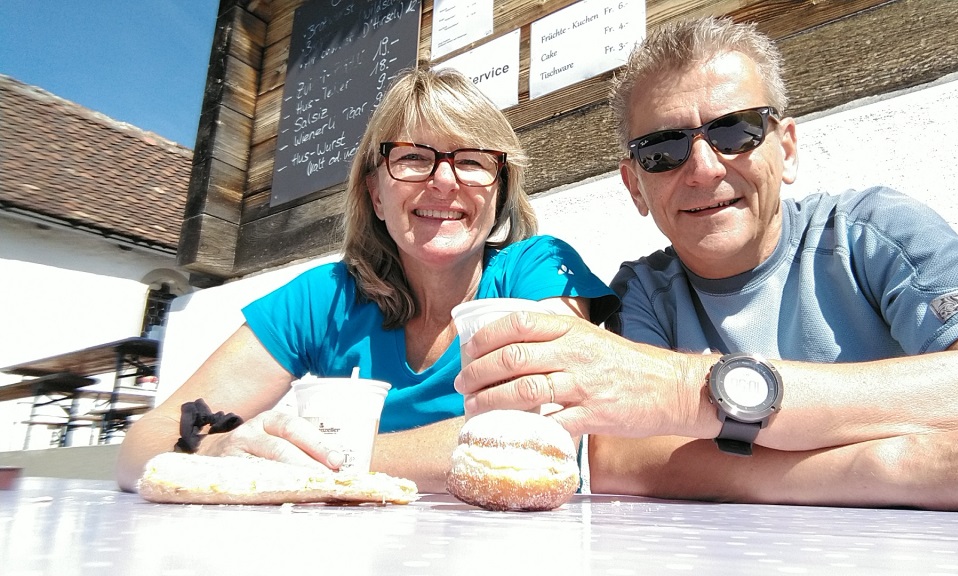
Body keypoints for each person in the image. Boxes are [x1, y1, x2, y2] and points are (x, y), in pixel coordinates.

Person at [453, 18, 958, 510]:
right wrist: (889, 466)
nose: (704, 168)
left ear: (787, 148)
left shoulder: (872, 233)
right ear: (635, 186)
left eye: (736, 131)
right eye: (663, 150)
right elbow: (621, 458)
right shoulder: (642, 291)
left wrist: (684, 392)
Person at [116, 67, 617, 493]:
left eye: (471, 161)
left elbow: (541, 437)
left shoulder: (539, 269)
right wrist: (219, 449)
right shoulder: (326, 297)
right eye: (413, 158)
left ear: (499, 193)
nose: (445, 181)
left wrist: (319, 464)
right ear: (375, 194)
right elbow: (142, 445)